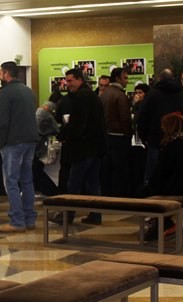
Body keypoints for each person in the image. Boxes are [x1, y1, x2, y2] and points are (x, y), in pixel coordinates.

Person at [54, 67, 105, 225]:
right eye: (66, 81)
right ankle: (95, 215)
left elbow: (78, 123)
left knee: (74, 182)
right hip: (95, 146)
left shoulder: (82, 97)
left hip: (84, 147)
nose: (68, 84)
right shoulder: (91, 95)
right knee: (92, 182)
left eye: (70, 81)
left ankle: (68, 215)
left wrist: (66, 136)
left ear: (79, 79)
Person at [0, 62, 39, 233]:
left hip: (14, 142)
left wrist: (1, 143)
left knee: (11, 182)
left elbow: (3, 121)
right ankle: (30, 219)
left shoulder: (5, 92)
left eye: (0, 72)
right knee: (27, 180)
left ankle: (17, 221)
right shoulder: (28, 91)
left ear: (6, 74)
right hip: (30, 140)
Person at [136, 69, 183, 186]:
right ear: (173, 79)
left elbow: (141, 118)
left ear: (160, 79)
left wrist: (145, 138)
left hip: (156, 142)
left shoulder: (152, 96)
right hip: (178, 144)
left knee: (152, 179)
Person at [100, 68, 132, 197]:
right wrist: (128, 134)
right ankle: (120, 196)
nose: (127, 81)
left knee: (107, 169)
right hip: (119, 137)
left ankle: (108, 195)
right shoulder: (120, 95)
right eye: (125, 78)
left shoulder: (104, 94)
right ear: (118, 78)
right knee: (119, 170)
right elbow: (125, 118)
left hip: (106, 136)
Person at [33, 96, 60, 196]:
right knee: (40, 167)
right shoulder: (46, 114)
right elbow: (56, 129)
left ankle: (36, 188)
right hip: (41, 144)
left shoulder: (38, 111)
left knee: (36, 166)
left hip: (35, 143)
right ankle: (44, 189)